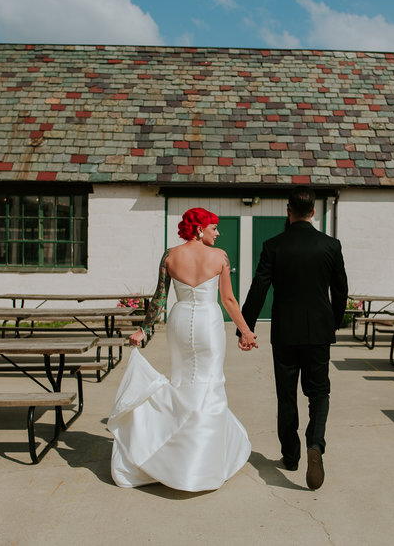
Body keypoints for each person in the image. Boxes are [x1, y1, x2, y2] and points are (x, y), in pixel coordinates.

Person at [107, 207, 258, 492]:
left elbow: (159, 298)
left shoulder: (170, 256)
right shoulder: (220, 257)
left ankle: (175, 454)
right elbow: (228, 300)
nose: (218, 232)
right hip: (208, 323)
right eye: (214, 227)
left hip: (179, 320)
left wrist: (145, 329)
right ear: (199, 229)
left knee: (181, 384)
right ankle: (201, 462)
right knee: (210, 384)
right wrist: (246, 331)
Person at [239, 187, 348, 490]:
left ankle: (291, 456)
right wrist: (334, 323)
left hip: (285, 332)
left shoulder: (274, 245)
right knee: (319, 393)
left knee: (287, 396)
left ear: (289, 211)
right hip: (317, 333)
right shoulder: (330, 245)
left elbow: (259, 288)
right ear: (313, 212)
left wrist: (245, 327)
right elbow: (341, 290)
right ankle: (315, 443)